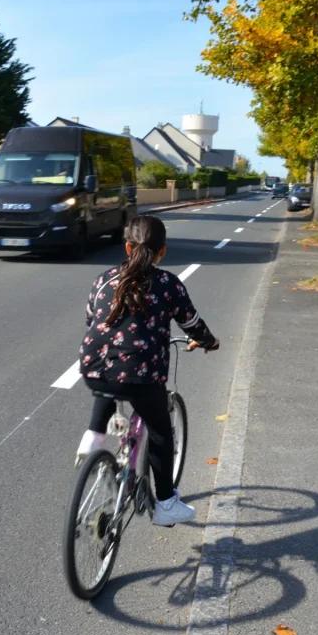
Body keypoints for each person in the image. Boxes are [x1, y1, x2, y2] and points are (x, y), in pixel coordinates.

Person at [76, 215, 219, 527]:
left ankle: (93, 438)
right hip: (142, 376)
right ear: (162, 251)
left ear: (127, 246)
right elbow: (192, 323)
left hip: (92, 366)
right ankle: (166, 503)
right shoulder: (167, 284)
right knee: (160, 432)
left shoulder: (104, 279)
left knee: (109, 378)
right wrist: (209, 341)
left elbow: (92, 320)